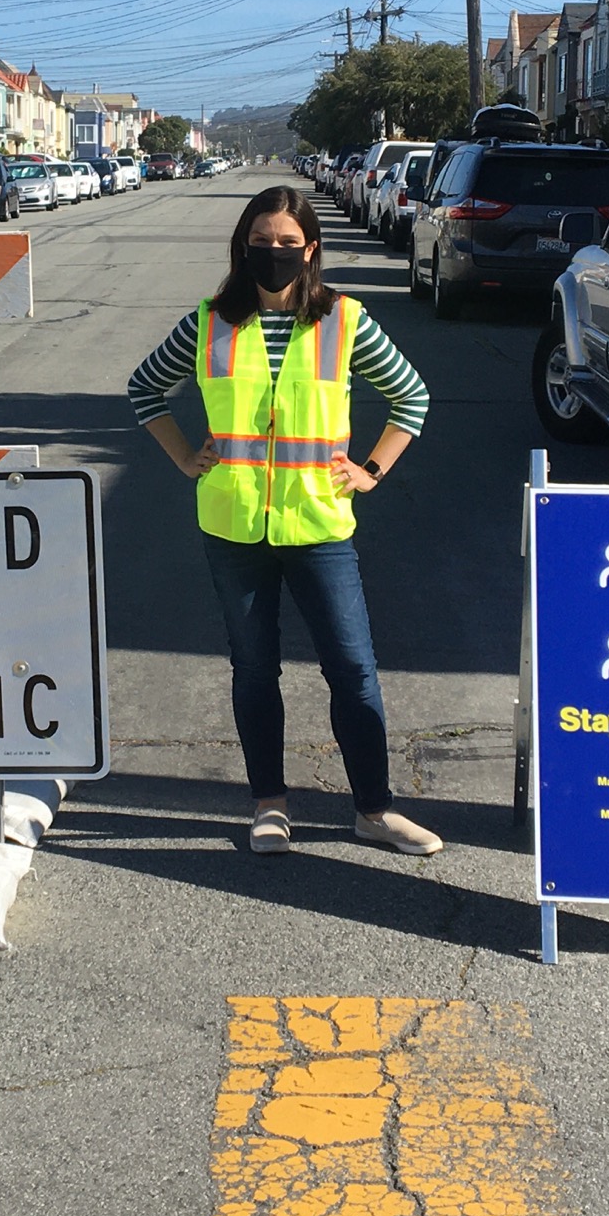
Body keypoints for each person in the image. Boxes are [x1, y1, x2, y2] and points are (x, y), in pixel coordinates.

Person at [127, 185, 440, 857]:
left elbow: (411, 395)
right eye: (261, 243)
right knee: (253, 669)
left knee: (353, 670)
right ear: (243, 247)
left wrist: (372, 471)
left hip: (321, 526)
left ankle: (374, 810)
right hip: (234, 526)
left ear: (310, 250)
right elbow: (143, 388)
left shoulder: (344, 321)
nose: (274, 254)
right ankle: (269, 806)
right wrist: (185, 456)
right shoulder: (210, 321)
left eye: (287, 244)